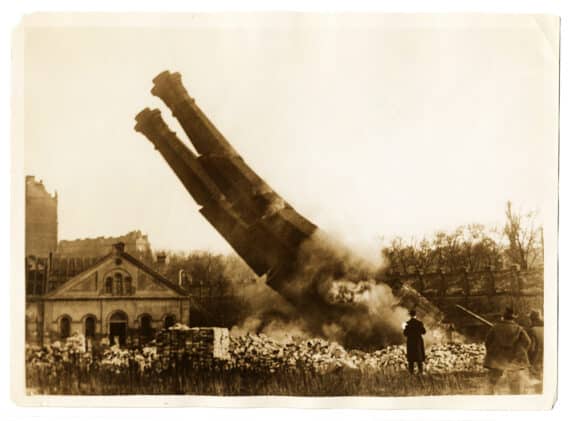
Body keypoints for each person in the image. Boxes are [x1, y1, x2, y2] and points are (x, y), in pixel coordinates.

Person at [484, 307, 531, 394]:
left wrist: (492, 352)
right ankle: (514, 400)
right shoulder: (519, 329)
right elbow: (527, 342)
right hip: (513, 359)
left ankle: (489, 400)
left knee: (492, 382)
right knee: (515, 382)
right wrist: (520, 352)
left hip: (497, 360)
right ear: (514, 318)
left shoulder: (495, 328)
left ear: (503, 317)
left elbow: (487, 341)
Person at [403, 309, 426, 374]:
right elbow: (424, 332)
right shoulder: (419, 323)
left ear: (410, 315)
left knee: (411, 358)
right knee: (419, 357)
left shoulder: (408, 323)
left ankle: (411, 372)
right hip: (418, 341)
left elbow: (405, 333)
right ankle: (420, 372)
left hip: (410, 342)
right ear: (415, 315)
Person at [526, 309, 544, 379]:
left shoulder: (532, 330)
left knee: (534, 380)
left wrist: (528, 360)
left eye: (530, 319)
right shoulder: (546, 328)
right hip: (544, 359)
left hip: (535, 359)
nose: (529, 321)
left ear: (533, 319)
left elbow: (532, 348)